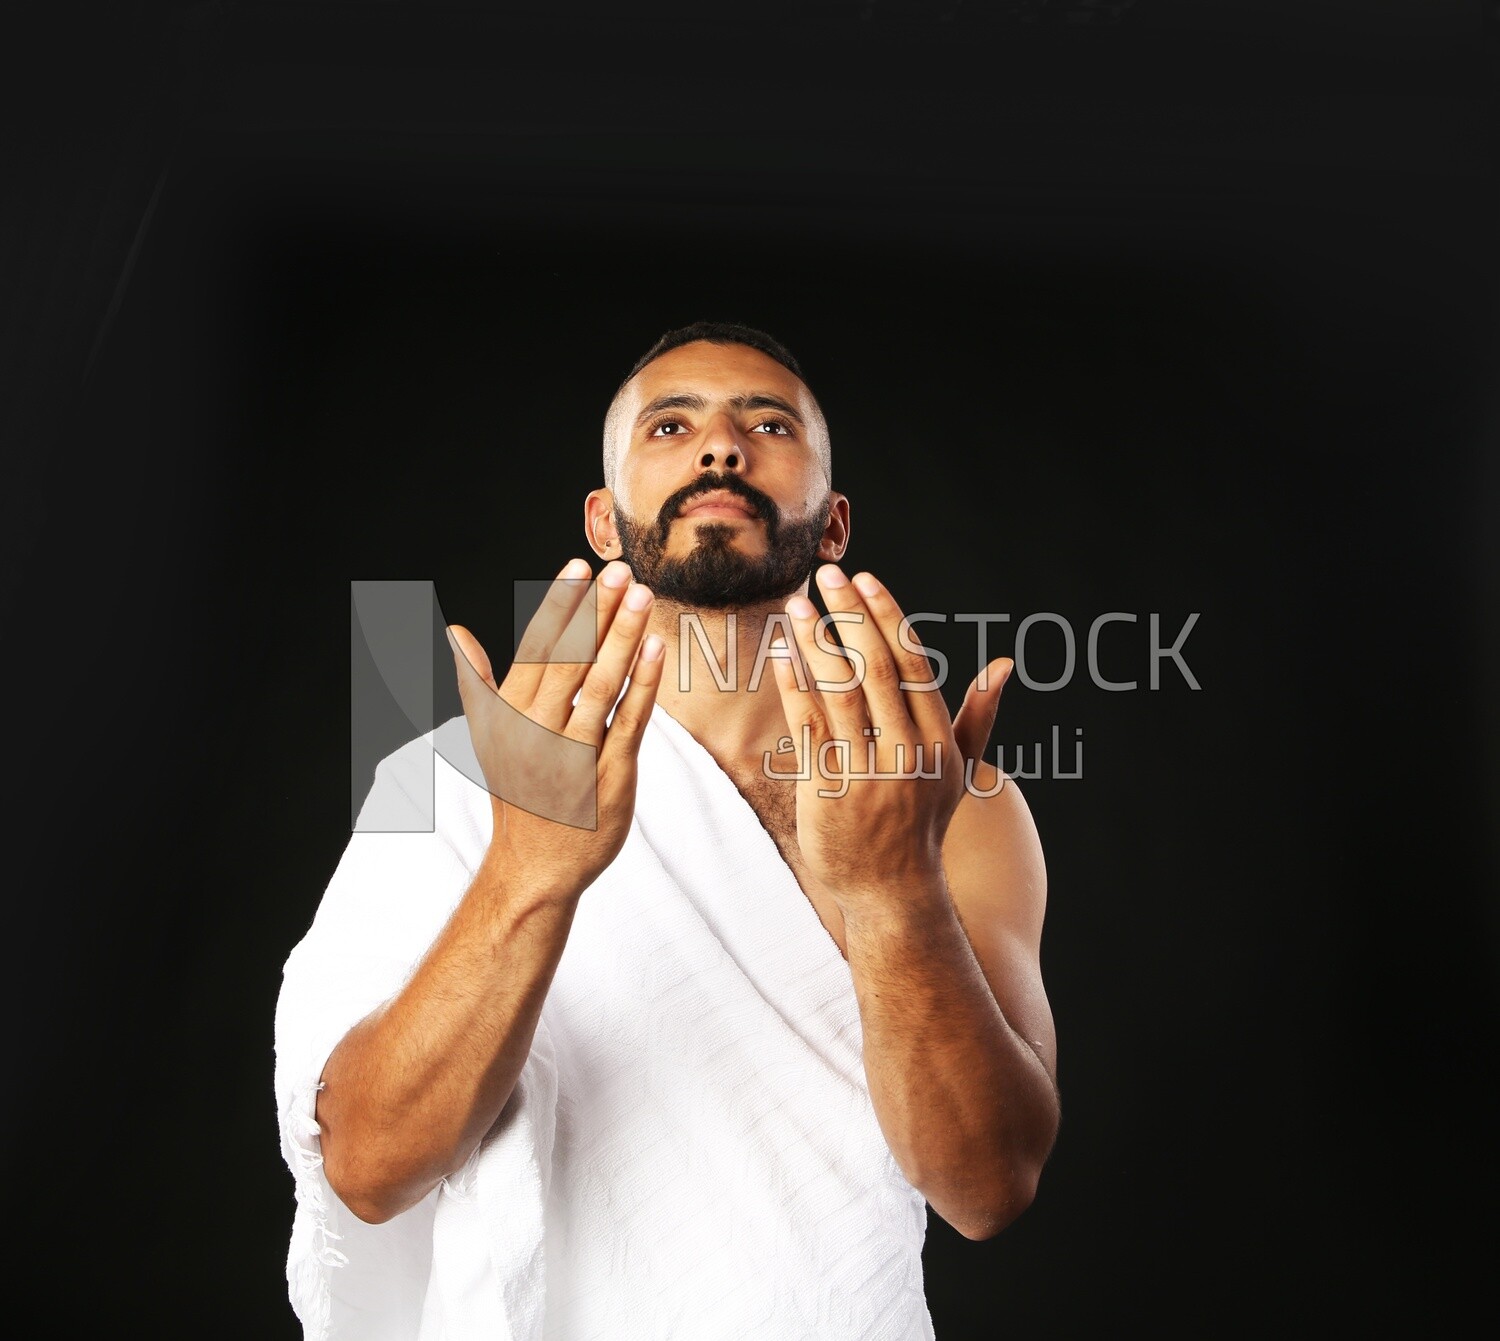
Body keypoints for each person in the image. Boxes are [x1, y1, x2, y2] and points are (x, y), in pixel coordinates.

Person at [274, 320, 1061, 1340]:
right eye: (671, 426)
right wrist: (528, 873)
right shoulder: (445, 786)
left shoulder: (946, 801)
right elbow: (370, 1171)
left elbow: (988, 1189)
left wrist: (891, 888)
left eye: (767, 424)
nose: (721, 447)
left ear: (833, 526)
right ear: (605, 523)